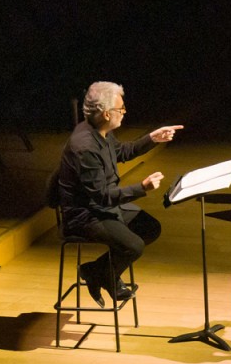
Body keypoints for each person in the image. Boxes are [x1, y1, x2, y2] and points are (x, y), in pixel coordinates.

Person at [55, 81, 180, 304]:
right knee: (133, 246)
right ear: (105, 113)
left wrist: (152, 138)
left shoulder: (100, 131)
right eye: (120, 109)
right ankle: (104, 274)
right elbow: (101, 196)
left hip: (103, 205)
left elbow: (122, 151)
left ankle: (97, 271)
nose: (124, 113)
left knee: (150, 228)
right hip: (86, 214)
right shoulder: (85, 147)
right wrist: (142, 188)